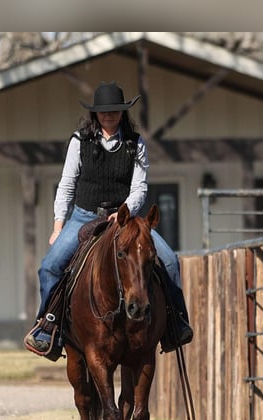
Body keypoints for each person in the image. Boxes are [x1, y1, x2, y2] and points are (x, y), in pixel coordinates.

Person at [24, 81, 192, 357]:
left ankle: (176, 324)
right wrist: (58, 225)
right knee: (50, 266)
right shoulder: (79, 142)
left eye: (114, 110)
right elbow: (67, 184)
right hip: (84, 216)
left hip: (126, 219)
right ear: (95, 113)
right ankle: (47, 326)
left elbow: (140, 186)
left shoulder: (135, 143)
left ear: (123, 112)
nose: (108, 115)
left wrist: (125, 209)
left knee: (170, 260)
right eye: (103, 111)